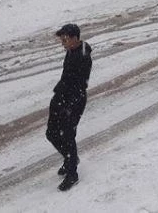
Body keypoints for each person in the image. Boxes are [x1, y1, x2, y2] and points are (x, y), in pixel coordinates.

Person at [46, 24, 93, 192]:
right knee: (51, 133)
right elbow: (66, 77)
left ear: (74, 38)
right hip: (61, 97)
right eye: (61, 40)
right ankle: (70, 158)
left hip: (74, 101)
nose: (62, 43)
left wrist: (69, 105)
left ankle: (72, 172)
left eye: (65, 39)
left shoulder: (82, 56)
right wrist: (58, 94)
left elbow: (80, 84)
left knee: (67, 134)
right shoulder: (71, 50)